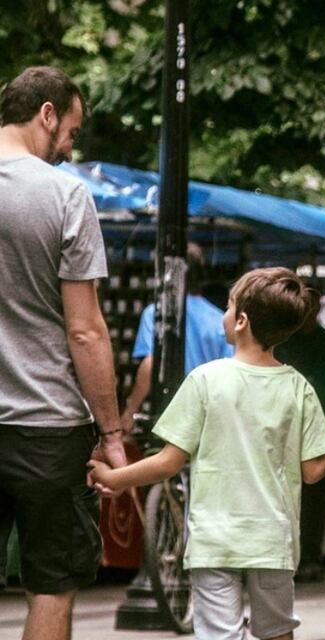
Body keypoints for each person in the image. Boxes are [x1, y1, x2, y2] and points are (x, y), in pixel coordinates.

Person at [89, 267, 325, 640]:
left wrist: (114, 477)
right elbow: (313, 471)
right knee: (277, 632)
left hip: (215, 539)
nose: (223, 315)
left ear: (241, 321)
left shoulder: (205, 380)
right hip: (272, 539)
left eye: (227, 307)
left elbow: (168, 461)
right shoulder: (298, 387)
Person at [0, 65, 126, 640]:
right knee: (51, 582)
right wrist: (112, 434)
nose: (70, 149)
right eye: (71, 132)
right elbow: (85, 331)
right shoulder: (65, 195)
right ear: (45, 113)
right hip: (46, 427)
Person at [120, 242, 233, 433]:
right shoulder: (220, 319)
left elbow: (150, 362)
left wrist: (130, 411)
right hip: (209, 416)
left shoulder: (157, 313)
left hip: (169, 413)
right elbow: (231, 373)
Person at [275, 293, 325, 583]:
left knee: (313, 497)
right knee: (286, 494)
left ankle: (311, 555)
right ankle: (289, 556)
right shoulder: (284, 342)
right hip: (287, 427)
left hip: (322, 426)